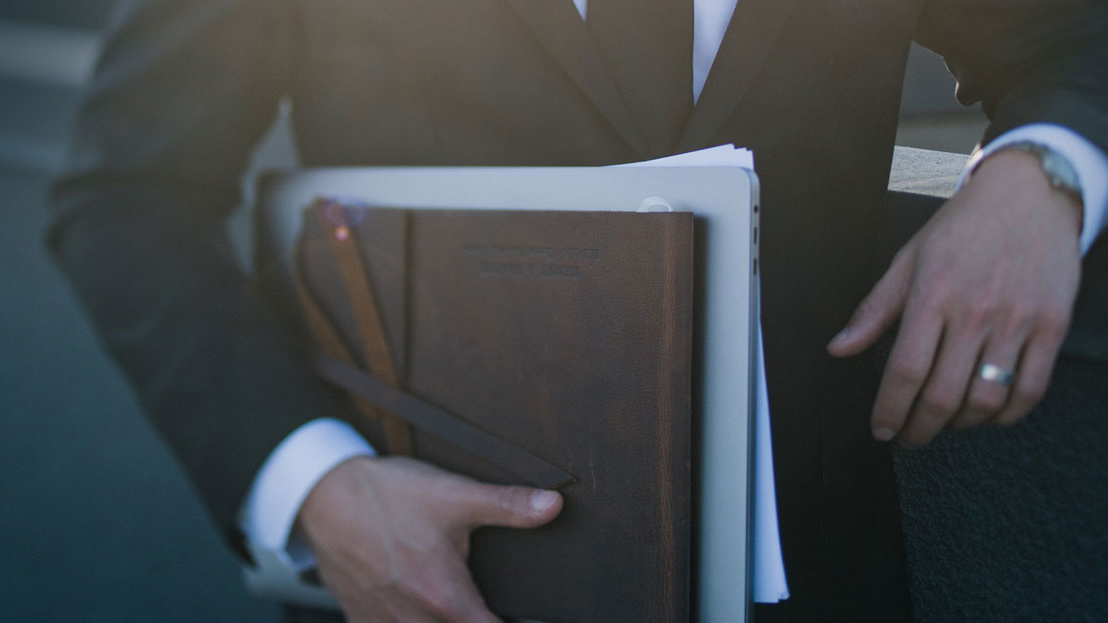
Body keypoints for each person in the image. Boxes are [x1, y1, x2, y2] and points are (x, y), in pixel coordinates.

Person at [49, 0, 1108, 621]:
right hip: (435, 576)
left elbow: (1070, 43)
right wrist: (315, 483)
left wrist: (1040, 176)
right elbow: (128, 196)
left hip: (816, 574)